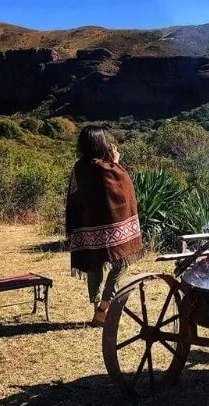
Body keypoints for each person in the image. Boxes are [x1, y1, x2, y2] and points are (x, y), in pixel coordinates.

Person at [65, 126, 143, 326]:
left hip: (87, 226)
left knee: (95, 265)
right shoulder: (105, 168)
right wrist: (115, 162)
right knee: (122, 263)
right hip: (110, 228)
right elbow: (122, 186)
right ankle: (103, 309)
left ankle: (97, 310)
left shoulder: (79, 168)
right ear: (100, 143)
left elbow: (74, 197)